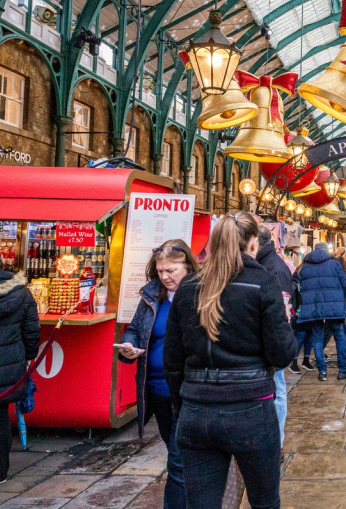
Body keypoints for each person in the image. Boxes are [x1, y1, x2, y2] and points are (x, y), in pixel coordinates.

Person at [164, 212, 297, 509]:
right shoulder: (263, 283)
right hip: (251, 411)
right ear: (252, 244)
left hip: (197, 411)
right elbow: (282, 354)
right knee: (264, 501)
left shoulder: (188, 287)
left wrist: (185, 403)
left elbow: (172, 359)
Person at [118, 240, 197, 508]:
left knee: (177, 463)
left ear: (188, 266)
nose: (165, 276)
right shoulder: (151, 295)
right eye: (161, 270)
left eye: (172, 270)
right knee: (179, 458)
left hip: (183, 392)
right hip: (154, 391)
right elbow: (135, 329)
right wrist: (128, 345)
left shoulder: (199, 294)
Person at [0, 253, 39, 485]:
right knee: (0, 417)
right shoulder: (20, 292)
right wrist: (30, 356)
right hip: (8, 364)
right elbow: (31, 328)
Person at [256, 225, 296, 451]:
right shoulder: (270, 263)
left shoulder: (274, 268)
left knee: (278, 389)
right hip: (264, 338)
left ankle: (276, 442)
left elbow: (281, 310)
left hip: (272, 339)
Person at [296, 242, 346, 382]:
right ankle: (343, 370)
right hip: (333, 306)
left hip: (314, 308)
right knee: (339, 337)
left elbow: (300, 287)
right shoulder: (335, 264)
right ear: (326, 251)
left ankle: (322, 372)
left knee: (317, 339)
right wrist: (339, 300)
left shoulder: (304, 266)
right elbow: (344, 284)